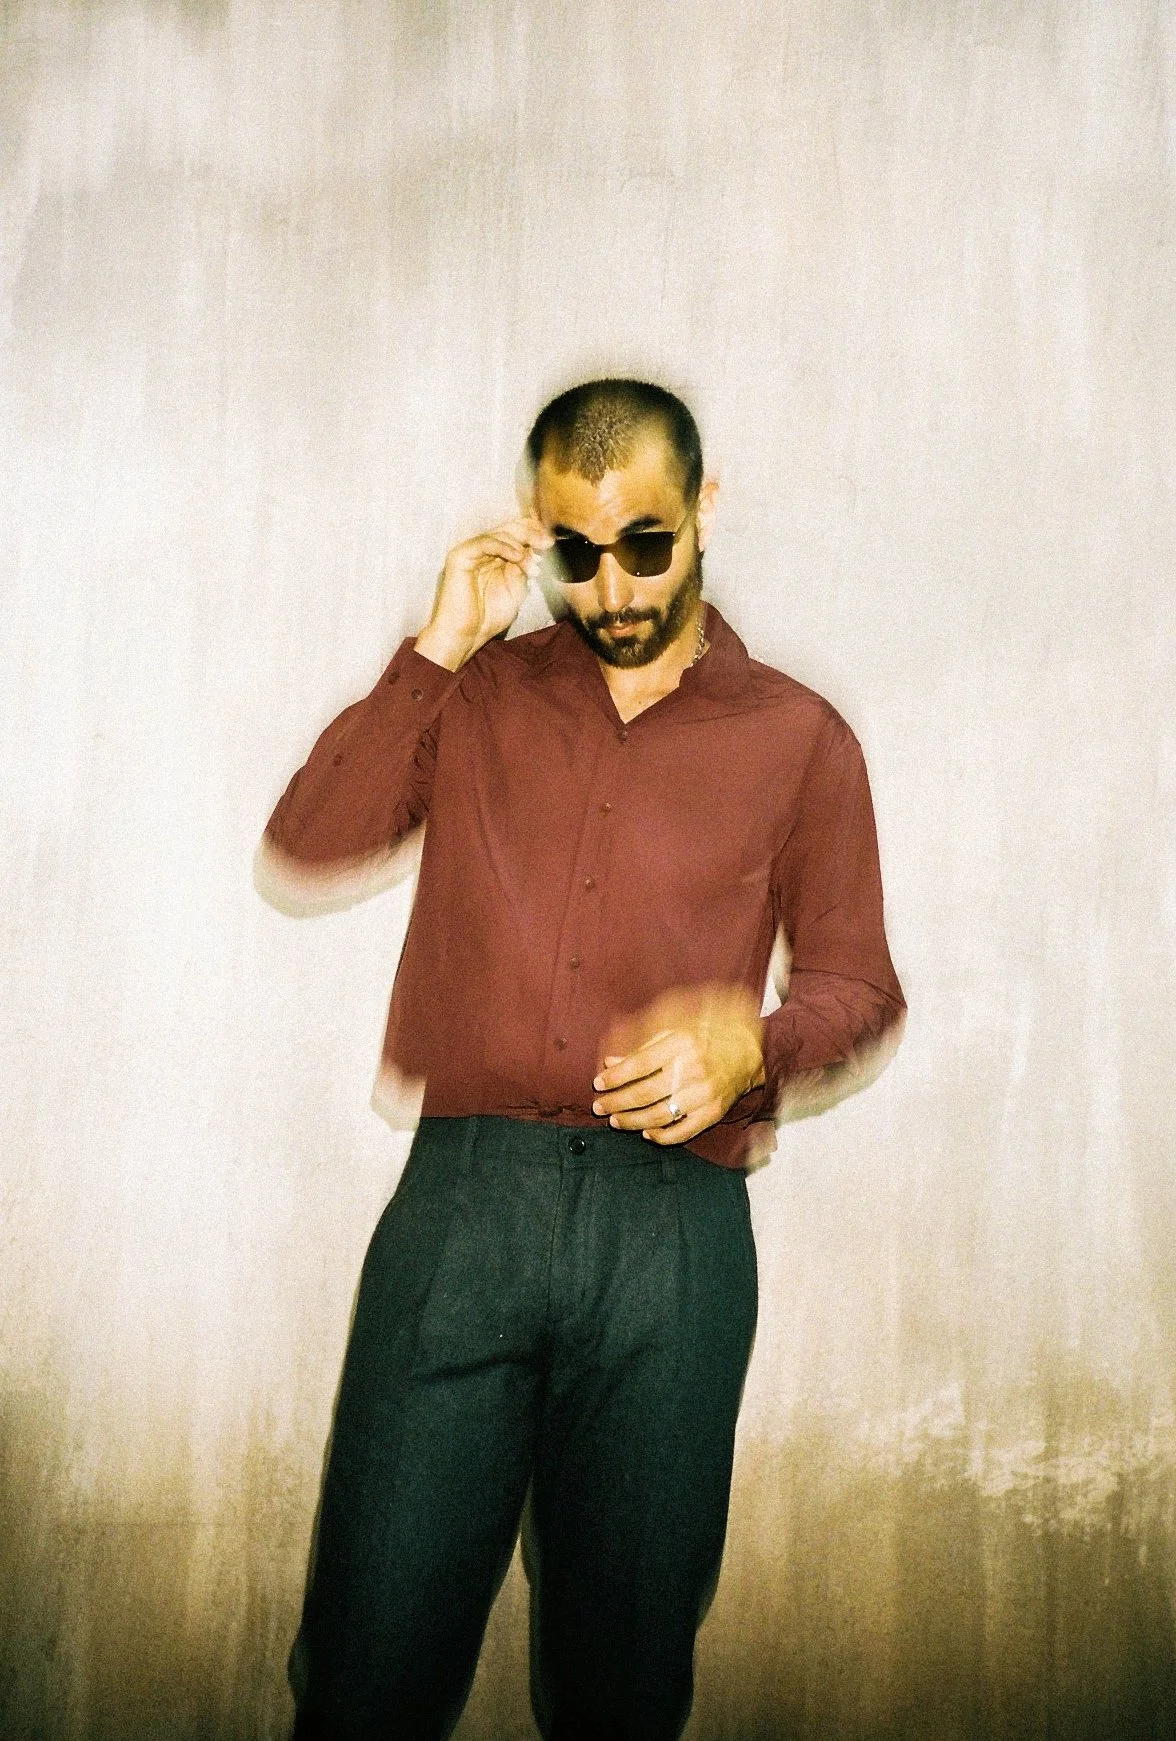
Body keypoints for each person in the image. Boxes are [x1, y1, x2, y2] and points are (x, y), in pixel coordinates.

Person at [258, 378, 906, 1740]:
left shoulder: (799, 739)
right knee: (368, 1667)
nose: (610, 588)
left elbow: (859, 988)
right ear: (537, 534)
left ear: (704, 510)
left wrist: (758, 1049)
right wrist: (434, 649)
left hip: (671, 1239)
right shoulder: (478, 697)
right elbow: (309, 842)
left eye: (646, 544)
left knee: (620, 1686)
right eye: (575, 552)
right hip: (461, 1213)